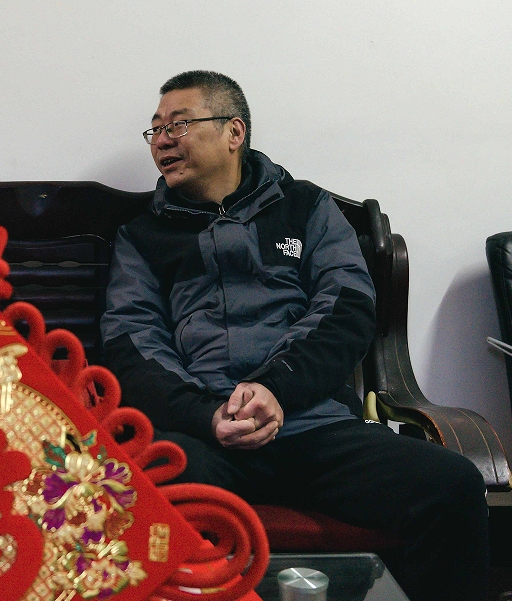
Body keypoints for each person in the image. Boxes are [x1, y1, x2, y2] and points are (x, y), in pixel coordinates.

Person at [100, 70, 488, 601]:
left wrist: (275, 388)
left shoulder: (305, 207)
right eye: (156, 129)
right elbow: (131, 342)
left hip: (314, 423)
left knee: (452, 485)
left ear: (234, 132)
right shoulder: (143, 235)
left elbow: (347, 308)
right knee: (128, 490)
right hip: (206, 432)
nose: (163, 140)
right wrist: (207, 414)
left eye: (180, 124)